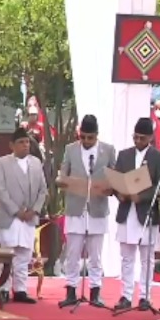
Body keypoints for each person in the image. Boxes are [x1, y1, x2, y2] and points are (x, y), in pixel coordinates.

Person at [56, 115, 116, 308]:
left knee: (95, 255)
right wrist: (63, 182)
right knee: (73, 253)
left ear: (97, 135)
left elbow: (114, 177)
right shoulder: (70, 149)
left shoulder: (108, 150)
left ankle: (95, 291)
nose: (86, 141)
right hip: (76, 207)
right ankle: (71, 290)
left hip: (97, 207)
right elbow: (62, 175)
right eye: (83, 137)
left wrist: (111, 188)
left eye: (90, 138)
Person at [112, 118, 160, 312]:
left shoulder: (159, 158)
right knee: (126, 258)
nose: (137, 140)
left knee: (147, 259)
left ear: (150, 138)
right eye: (135, 137)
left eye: (142, 138)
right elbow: (116, 180)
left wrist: (141, 196)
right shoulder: (124, 155)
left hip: (146, 212)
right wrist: (119, 192)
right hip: (126, 211)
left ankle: (145, 297)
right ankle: (126, 296)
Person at [0, 127, 48, 304]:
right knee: (6, 254)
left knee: (24, 254)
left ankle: (21, 290)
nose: (25, 145)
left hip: (29, 217)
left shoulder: (36, 163)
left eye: (27, 142)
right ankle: (3, 288)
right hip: (10, 216)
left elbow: (43, 190)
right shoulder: (2, 163)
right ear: (12, 145)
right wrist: (17, 211)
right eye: (21, 142)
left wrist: (34, 210)